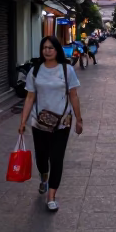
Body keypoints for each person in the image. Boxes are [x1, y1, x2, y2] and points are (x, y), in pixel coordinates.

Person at [19, 35, 82, 212]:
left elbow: (74, 96)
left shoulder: (67, 70)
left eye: (50, 48)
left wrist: (79, 119)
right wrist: (23, 121)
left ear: (57, 50)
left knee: (57, 158)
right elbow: (29, 97)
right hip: (39, 122)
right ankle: (44, 177)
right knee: (41, 158)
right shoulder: (35, 71)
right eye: (44, 48)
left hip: (62, 122)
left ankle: (51, 196)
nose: (47, 51)